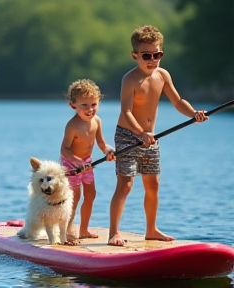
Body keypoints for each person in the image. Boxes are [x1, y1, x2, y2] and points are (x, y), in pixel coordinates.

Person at [108, 25, 209, 246]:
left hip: (150, 137)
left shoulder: (163, 75)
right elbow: (125, 111)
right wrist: (139, 133)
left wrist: (194, 113)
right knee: (125, 184)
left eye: (157, 54)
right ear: (135, 55)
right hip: (128, 134)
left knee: (152, 185)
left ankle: (151, 229)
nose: (153, 59)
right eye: (146, 55)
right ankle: (113, 232)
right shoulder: (130, 79)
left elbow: (178, 101)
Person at [61, 79, 115, 239]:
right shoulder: (72, 125)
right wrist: (76, 161)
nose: (90, 109)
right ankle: (67, 230)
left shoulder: (97, 121)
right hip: (71, 165)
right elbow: (64, 149)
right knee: (74, 197)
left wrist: (108, 150)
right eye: (84, 105)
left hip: (87, 163)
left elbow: (101, 142)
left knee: (91, 195)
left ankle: (83, 230)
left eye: (94, 104)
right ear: (73, 106)